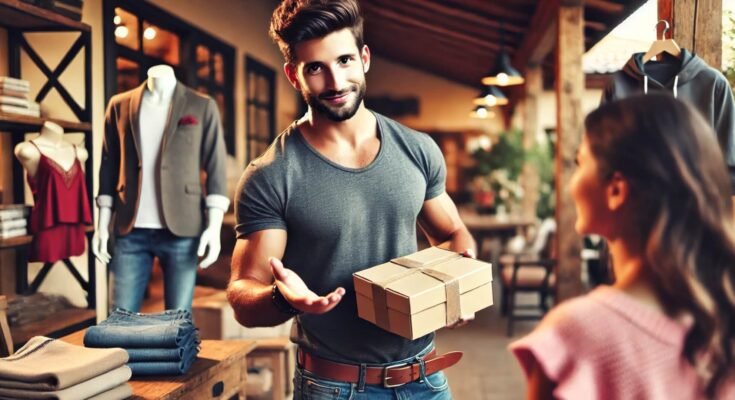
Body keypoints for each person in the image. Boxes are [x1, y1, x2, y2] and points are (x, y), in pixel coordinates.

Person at [226, 0, 476, 398]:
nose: (335, 81)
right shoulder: (270, 175)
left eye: (344, 61)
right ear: (294, 76)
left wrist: (456, 289)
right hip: (334, 386)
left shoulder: (417, 149)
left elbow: (452, 233)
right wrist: (282, 298)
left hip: (424, 379)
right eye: (315, 68)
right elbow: (243, 292)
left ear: (364, 58)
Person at [510, 93, 735, 399]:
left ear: (616, 189)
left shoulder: (577, 334)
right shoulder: (722, 321)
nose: (572, 182)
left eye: (580, 163)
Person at [94, 64, 229, 312]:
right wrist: (101, 226)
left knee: (178, 322)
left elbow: (216, 168)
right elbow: (108, 165)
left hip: (183, 229)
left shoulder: (201, 105)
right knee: (120, 319)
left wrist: (214, 226)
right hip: (129, 228)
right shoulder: (119, 104)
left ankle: (178, 353)